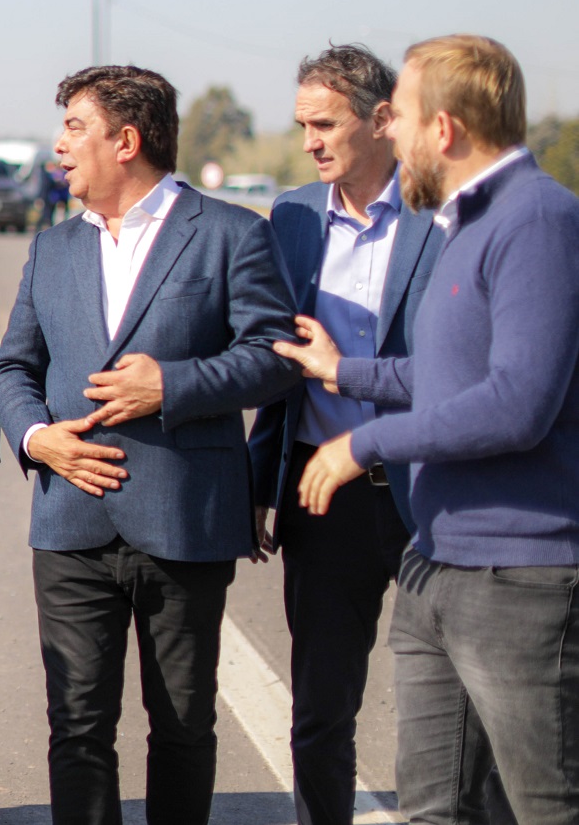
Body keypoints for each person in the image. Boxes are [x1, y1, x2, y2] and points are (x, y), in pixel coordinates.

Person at [281, 34, 579, 825]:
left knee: (542, 807)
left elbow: (518, 401)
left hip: (518, 577)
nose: (394, 130)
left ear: (441, 129)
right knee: (435, 808)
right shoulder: (464, 223)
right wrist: (344, 375)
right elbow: (443, 376)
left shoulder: (539, 219)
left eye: (401, 116)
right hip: (439, 563)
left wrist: (363, 441)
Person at [0, 64, 298, 825]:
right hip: (70, 522)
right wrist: (37, 436)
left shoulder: (230, 234)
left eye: (74, 128)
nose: (58, 146)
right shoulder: (53, 247)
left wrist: (176, 384)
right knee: (78, 727)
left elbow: (275, 355)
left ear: (125, 140)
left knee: (185, 727)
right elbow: (12, 365)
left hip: (185, 521)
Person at [244, 44, 442, 825]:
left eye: (325, 124)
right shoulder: (291, 215)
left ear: (383, 119)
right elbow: (275, 363)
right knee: (321, 711)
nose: (310, 142)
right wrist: (261, 485)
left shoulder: (444, 213)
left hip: (435, 492)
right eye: (302, 126)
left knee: (456, 707)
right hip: (323, 495)